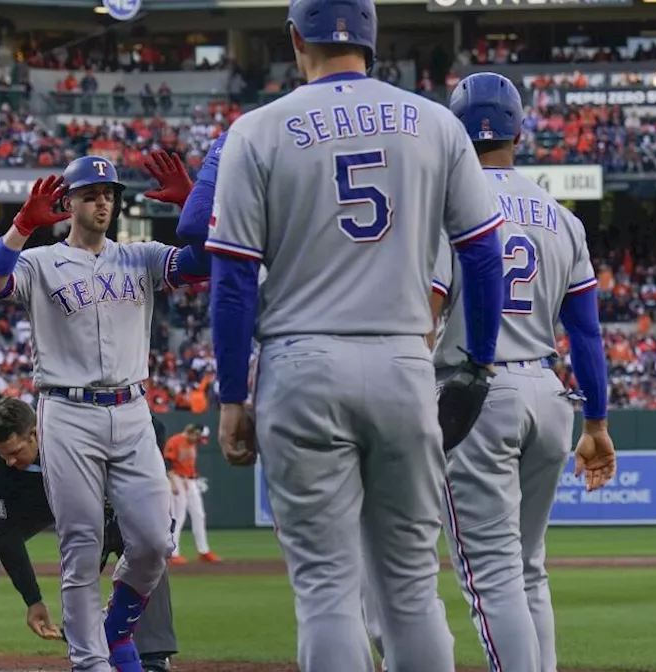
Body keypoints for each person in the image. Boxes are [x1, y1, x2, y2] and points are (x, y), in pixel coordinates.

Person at [204, 0, 511, 668]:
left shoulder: (255, 130)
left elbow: (230, 280)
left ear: (295, 38)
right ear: (374, 40)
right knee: (409, 589)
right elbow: (482, 256)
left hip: (300, 360)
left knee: (326, 591)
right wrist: (478, 366)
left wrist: (232, 396)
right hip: (404, 360)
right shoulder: (436, 122)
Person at [0, 150, 208, 672]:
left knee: (154, 542)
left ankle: (114, 627)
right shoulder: (38, 262)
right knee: (82, 544)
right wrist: (19, 228)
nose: (103, 202)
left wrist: (195, 205)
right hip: (67, 410)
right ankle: (89, 662)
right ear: (69, 203)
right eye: (91, 195)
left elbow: (205, 262)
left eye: (109, 195)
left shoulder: (140, 256)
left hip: (131, 408)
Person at [426, 71, 618, 672]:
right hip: (548, 395)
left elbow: (426, 309)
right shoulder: (563, 219)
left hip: (477, 390)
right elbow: (585, 333)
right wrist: (599, 421)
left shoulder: (448, 205)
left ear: (457, 129)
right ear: (519, 128)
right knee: (529, 568)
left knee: (492, 574)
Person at [0, 398, 178, 672]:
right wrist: (33, 600)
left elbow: (154, 427)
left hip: (95, 495)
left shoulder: (69, 423)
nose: (8, 461)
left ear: (34, 433)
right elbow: (6, 535)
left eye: (15, 451)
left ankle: (153, 652)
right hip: (34, 504)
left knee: (146, 537)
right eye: (1, 453)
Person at [164, 425, 219, 565]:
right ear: (193, 432)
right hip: (176, 478)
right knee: (178, 517)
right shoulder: (175, 441)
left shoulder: (191, 443)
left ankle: (204, 551)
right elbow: (167, 463)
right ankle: (173, 553)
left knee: (199, 515)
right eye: (198, 437)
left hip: (190, 479)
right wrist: (173, 483)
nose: (199, 441)